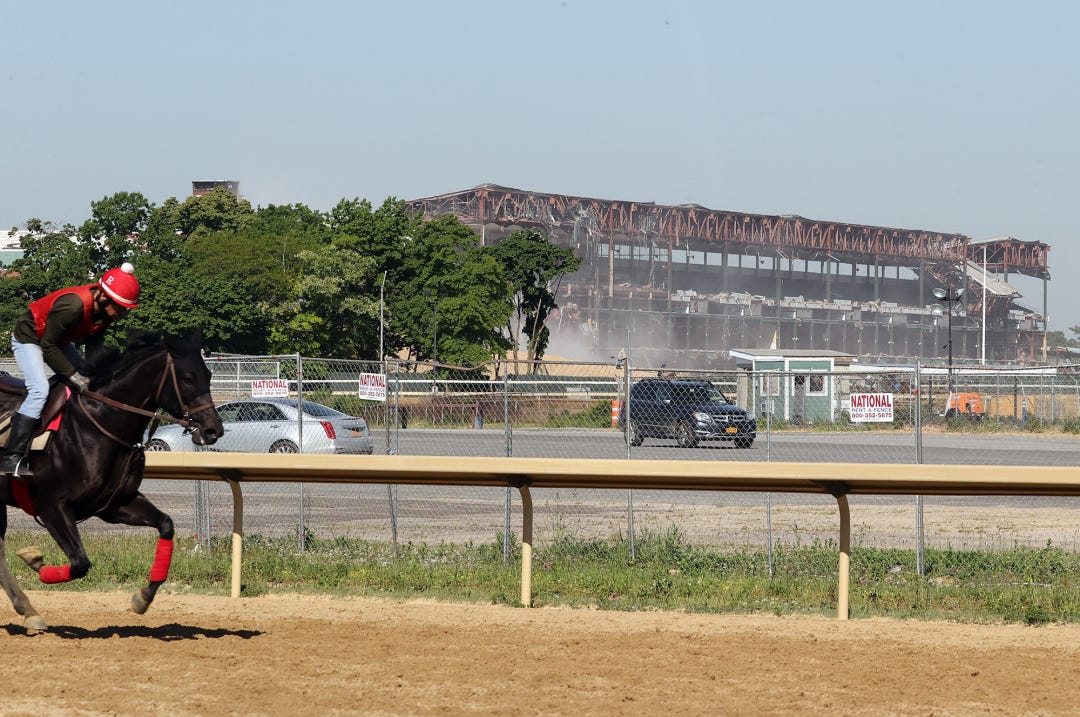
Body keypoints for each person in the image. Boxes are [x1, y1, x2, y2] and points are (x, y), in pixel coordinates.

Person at [2, 263, 140, 478]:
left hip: (58, 341)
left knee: (88, 379)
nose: (121, 313)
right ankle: (12, 457)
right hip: (30, 338)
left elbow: (94, 343)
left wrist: (95, 373)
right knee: (39, 390)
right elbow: (48, 347)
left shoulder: (104, 312)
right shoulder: (73, 306)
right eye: (120, 307)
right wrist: (73, 375)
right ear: (104, 298)